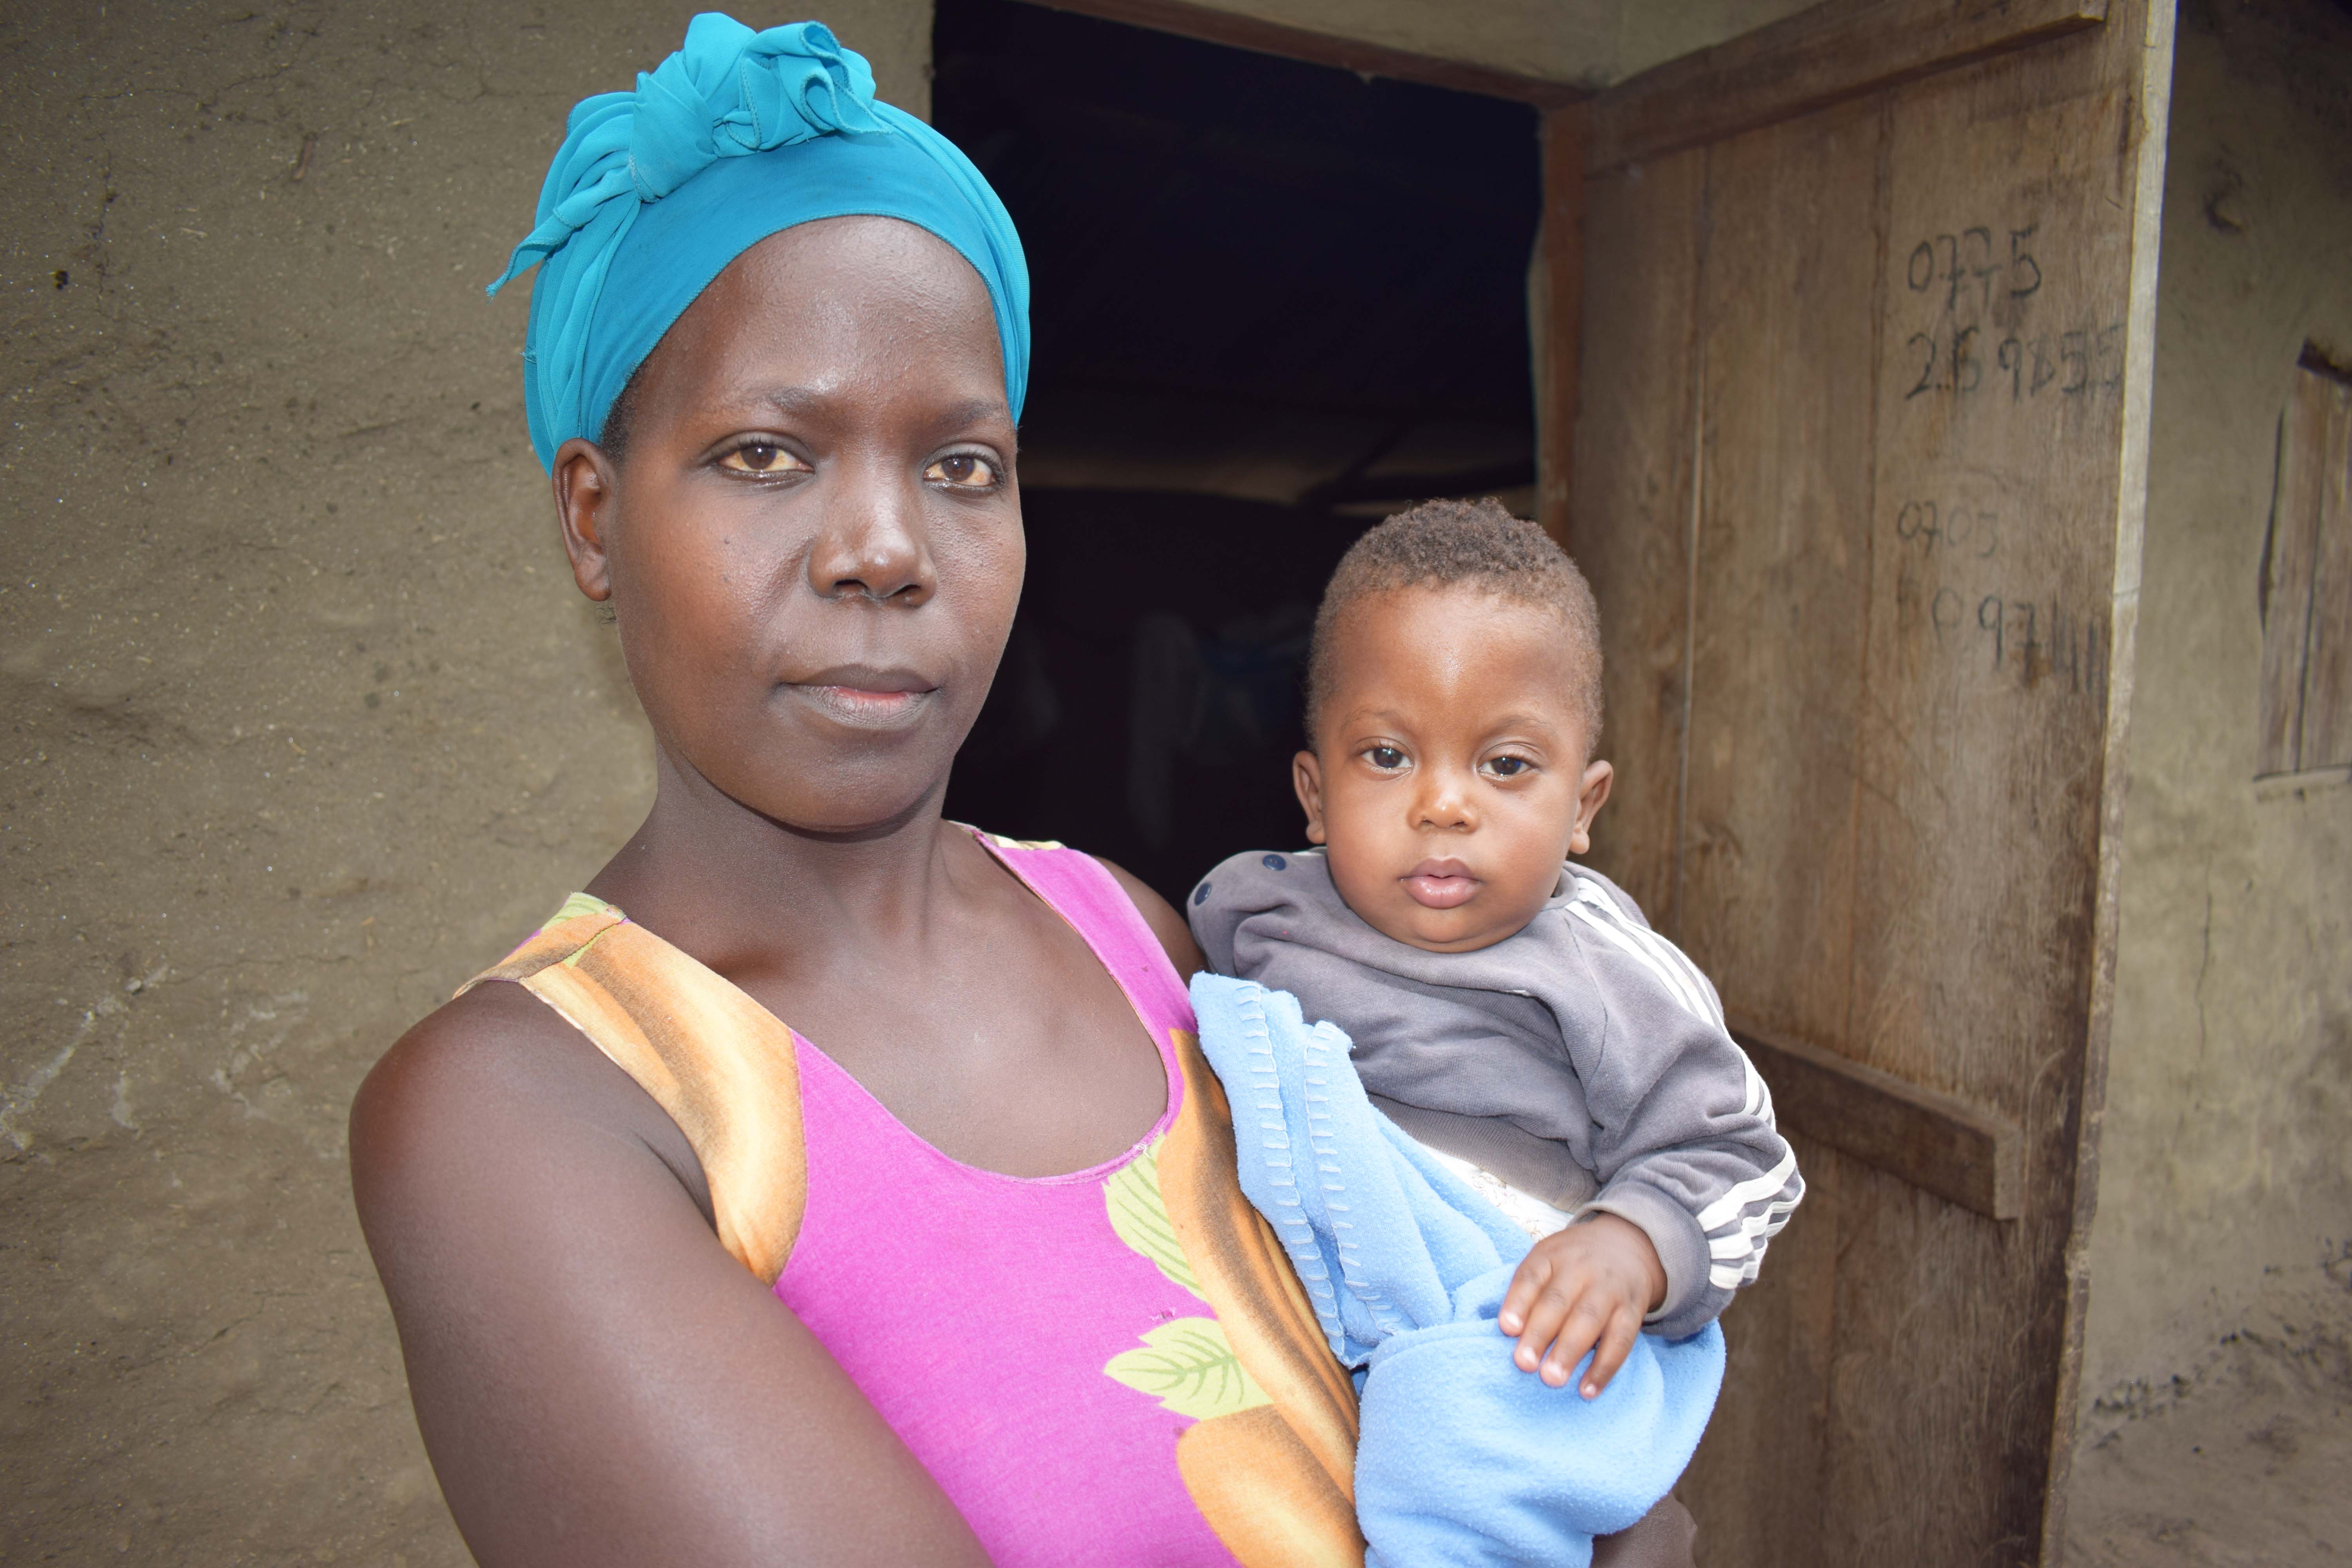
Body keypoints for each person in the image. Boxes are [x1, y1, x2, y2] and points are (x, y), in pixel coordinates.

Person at [350, 17, 1365, 1566]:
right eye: (767, 455)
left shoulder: (1126, 936)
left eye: (963, 465)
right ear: (594, 518)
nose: (885, 548)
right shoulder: (529, 1110)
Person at [1188, 499, 1804, 1401]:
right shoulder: (1251, 915)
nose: (1444, 804)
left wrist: (1630, 1244)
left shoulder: (1603, 971)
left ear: (1583, 809)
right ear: (1315, 794)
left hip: (1503, 1347)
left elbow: (1744, 1160)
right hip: (1284, 1344)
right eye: (1389, 755)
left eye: (1506, 764)